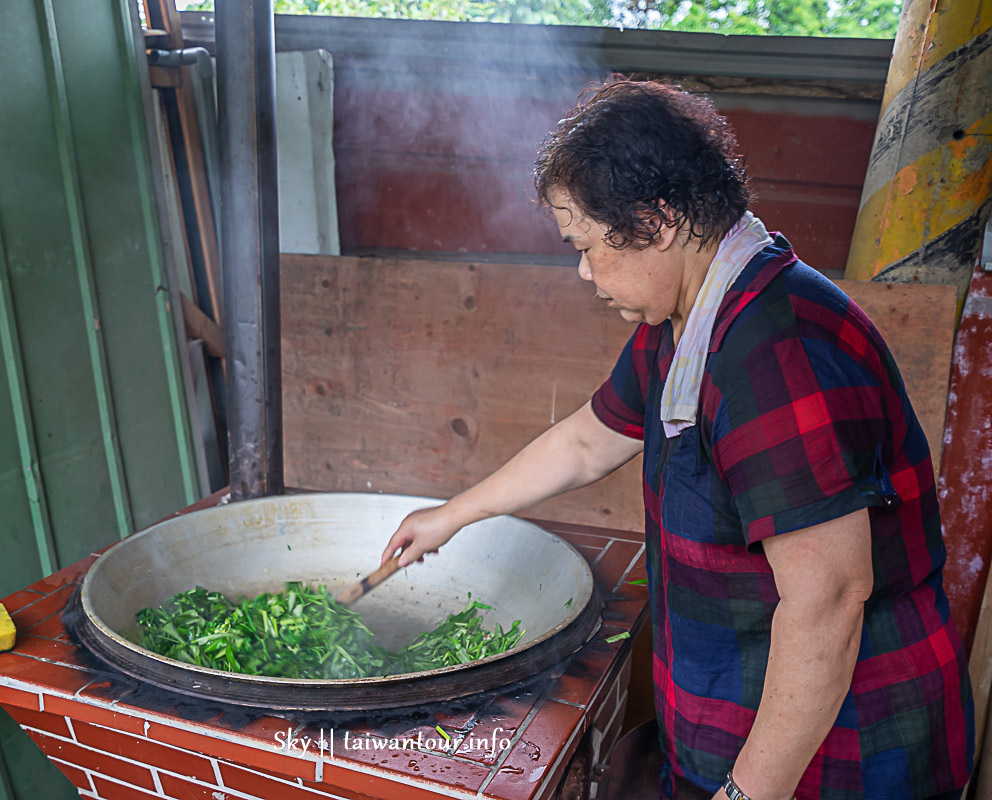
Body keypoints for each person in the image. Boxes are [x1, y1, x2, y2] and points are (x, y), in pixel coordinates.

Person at [379, 79, 974, 800]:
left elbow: (831, 600)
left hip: (839, 750)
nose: (583, 270)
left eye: (589, 245)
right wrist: (450, 515)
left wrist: (747, 793)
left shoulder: (776, 356)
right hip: (737, 714)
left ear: (656, 222)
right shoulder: (690, 316)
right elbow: (590, 440)